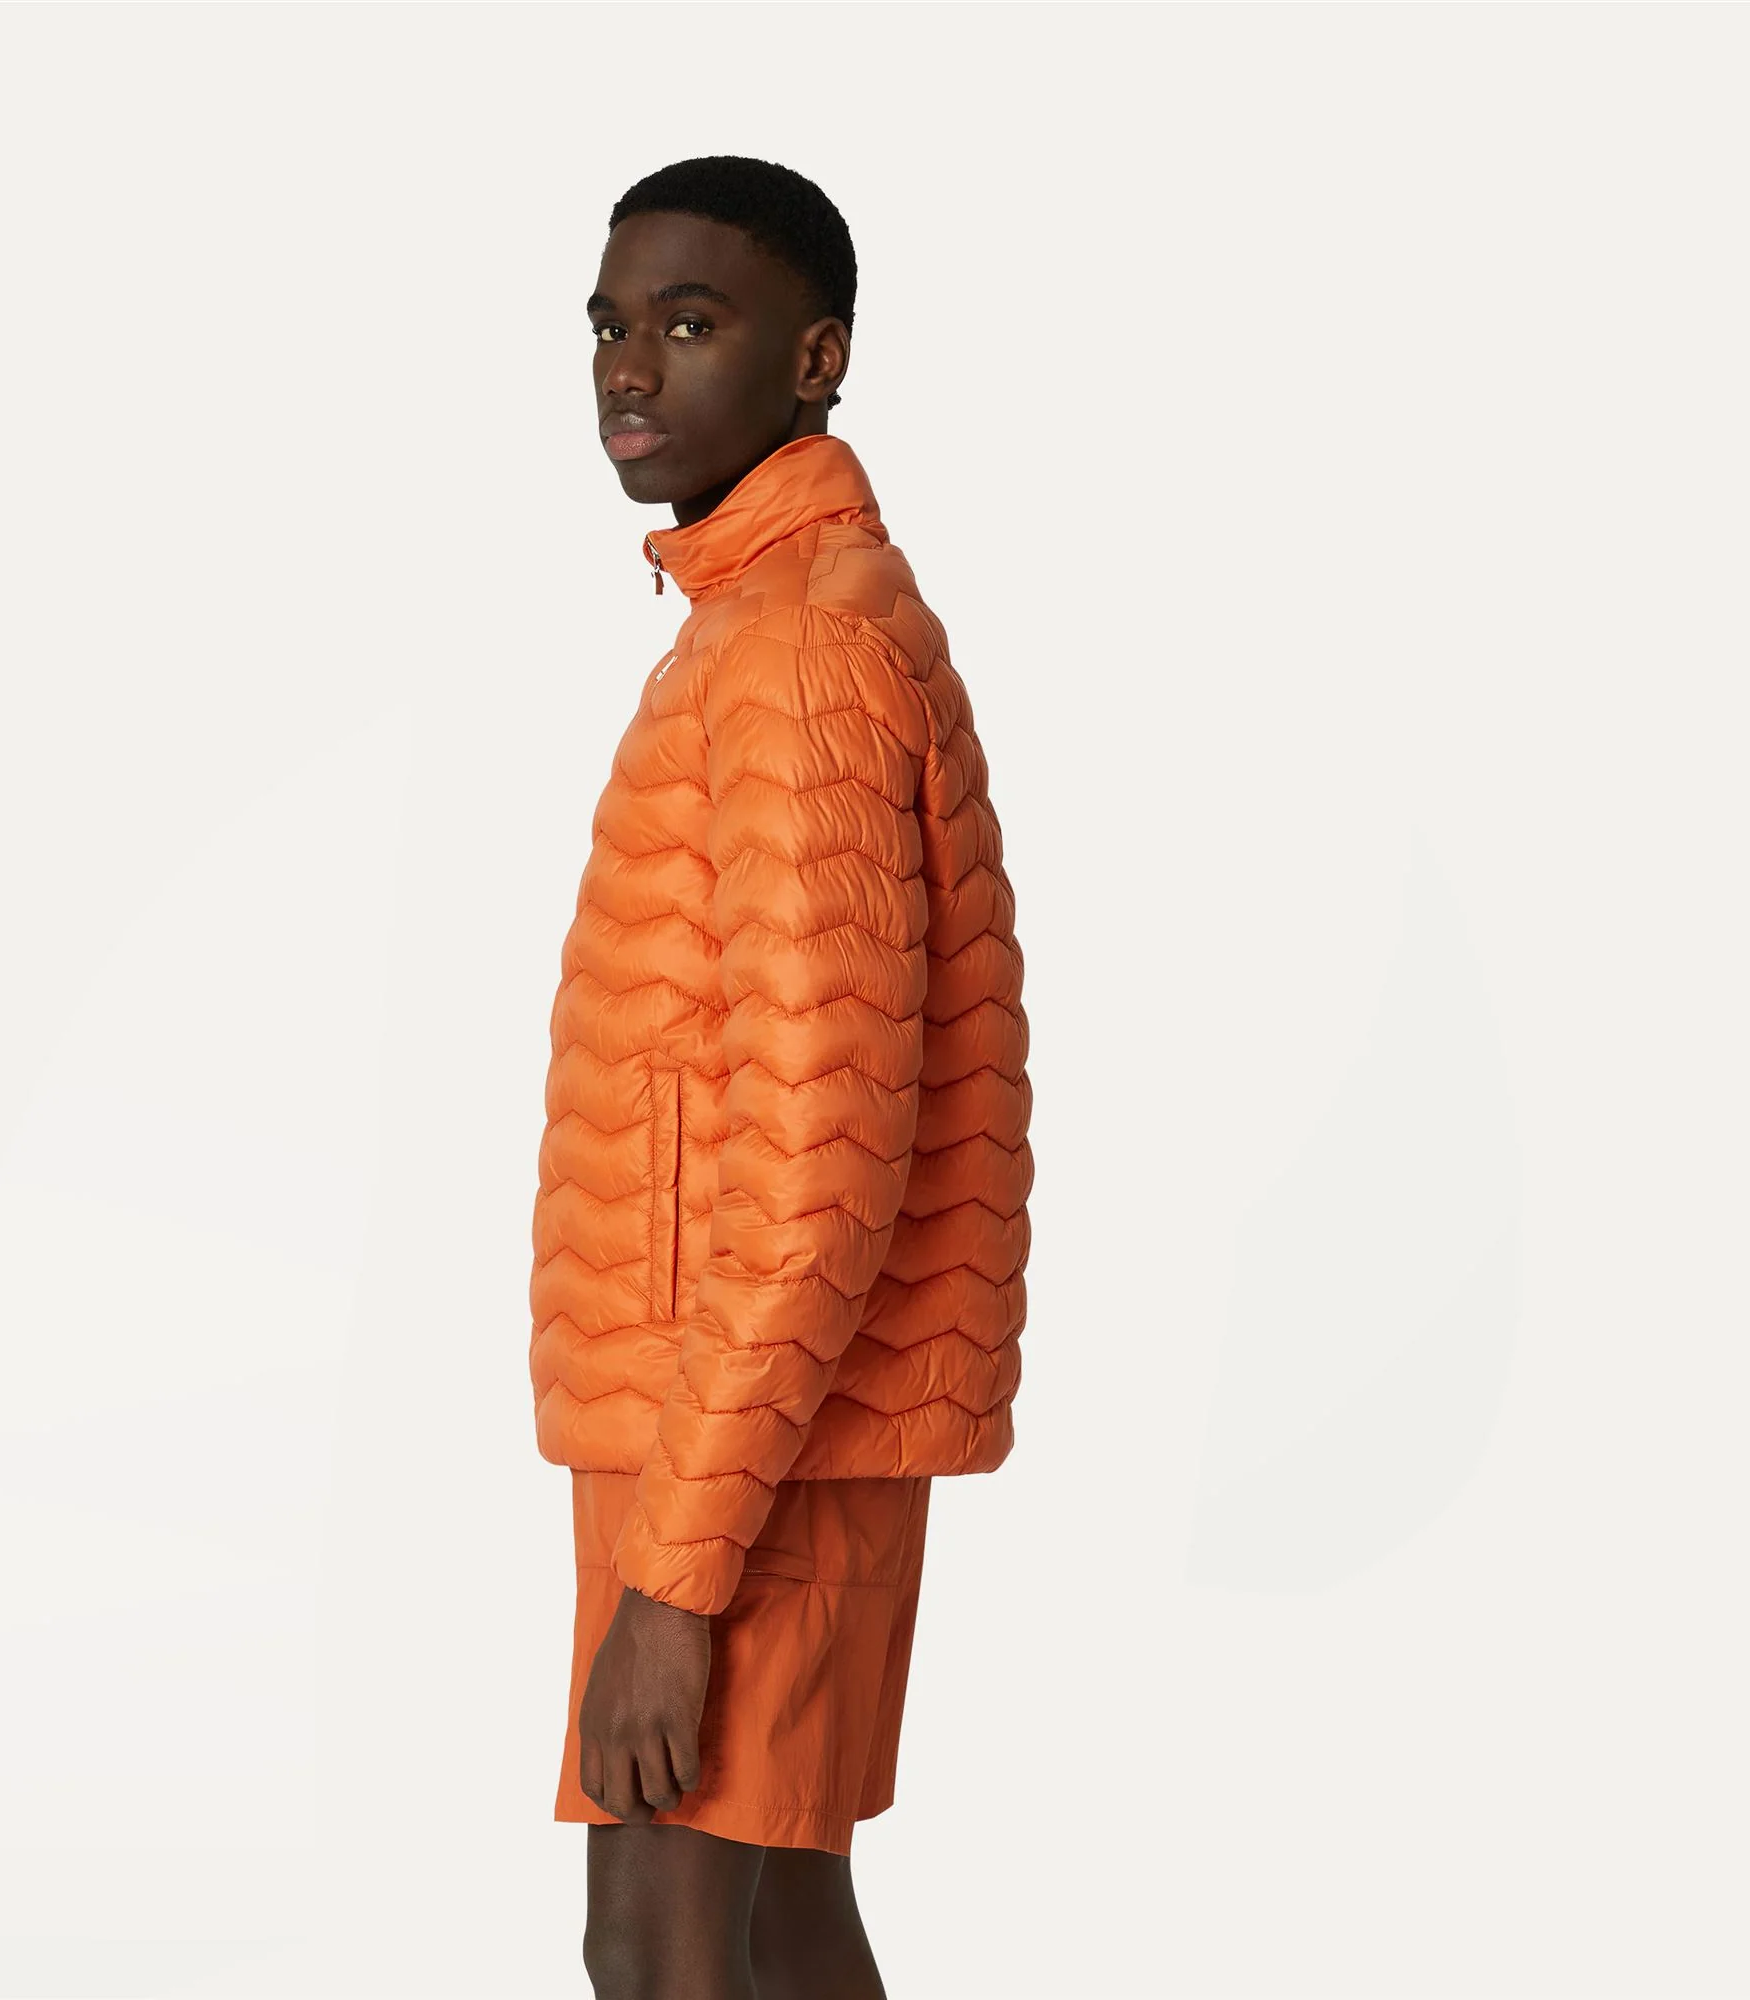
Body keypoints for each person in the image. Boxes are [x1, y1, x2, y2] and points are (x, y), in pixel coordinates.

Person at [529, 154, 1034, 2000]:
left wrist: (675, 1578)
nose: (629, 366)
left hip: (745, 1447)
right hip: (743, 1429)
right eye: (608, 323)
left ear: (815, 359)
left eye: (690, 322)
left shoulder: (799, 652)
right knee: (776, 1931)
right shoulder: (762, 624)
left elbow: (826, 1160)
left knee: (661, 1952)